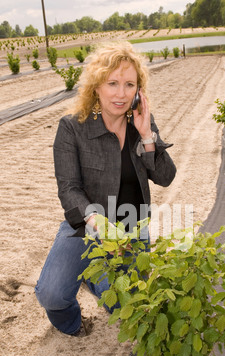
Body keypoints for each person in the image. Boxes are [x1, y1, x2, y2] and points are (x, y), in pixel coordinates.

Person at [35, 41, 176, 336]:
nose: (121, 93)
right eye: (112, 83)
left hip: (131, 226)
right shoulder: (72, 128)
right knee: (52, 295)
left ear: (139, 90)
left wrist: (148, 135)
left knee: (123, 305)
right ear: (97, 86)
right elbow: (69, 188)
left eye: (129, 84)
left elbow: (165, 177)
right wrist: (93, 219)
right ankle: (72, 320)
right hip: (87, 225)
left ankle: (95, 279)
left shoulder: (141, 124)